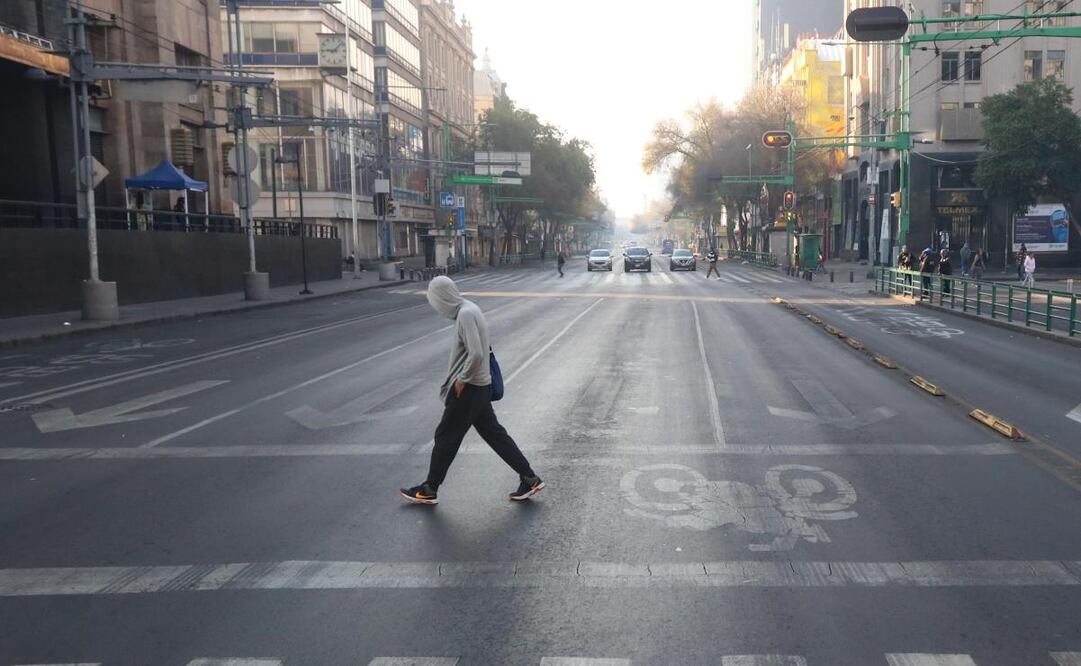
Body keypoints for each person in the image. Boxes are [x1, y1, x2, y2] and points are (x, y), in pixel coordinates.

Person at [400, 276, 544, 505]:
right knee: (495, 435)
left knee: (446, 436)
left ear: (442, 297)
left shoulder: (465, 314)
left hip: (469, 388)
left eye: (434, 299)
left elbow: (476, 352)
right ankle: (529, 478)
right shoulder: (469, 309)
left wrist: (461, 379)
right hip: (479, 387)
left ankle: (429, 488)